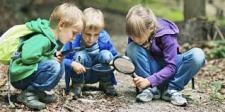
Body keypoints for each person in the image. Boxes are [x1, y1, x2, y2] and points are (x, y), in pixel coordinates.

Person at [125, 4, 205, 106]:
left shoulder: (166, 34)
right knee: (132, 47)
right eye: (131, 35)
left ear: (151, 28)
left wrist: (149, 80)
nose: (134, 39)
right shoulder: (135, 35)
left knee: (198, 54)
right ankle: (150, 90)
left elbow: (171, 66)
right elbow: (132, 60)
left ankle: (172, 90)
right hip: (151, 72)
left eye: (137, 36)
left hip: (171, 71)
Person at [9, 3, 84, 109]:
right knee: (53, 65)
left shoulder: (50, 38)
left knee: (59, 63)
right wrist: (50, 58)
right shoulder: (43, 38)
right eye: (74, 33)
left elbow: (43, 53)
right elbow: (27, 57)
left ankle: (36, 92)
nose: (74, 38)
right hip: (20, 75)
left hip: (28, 73)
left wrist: (54, 55)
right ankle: (28, 94)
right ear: (61, 25)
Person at [63, 7, 118, 98]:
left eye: (96, 34)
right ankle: (77, 85)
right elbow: (61, 58)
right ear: (81, 30)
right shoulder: (73, 40)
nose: (91, 39)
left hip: (98, 73)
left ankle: (105, 83)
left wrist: (114, 63)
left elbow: (115, 56)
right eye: (87, 34)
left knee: (106, 55)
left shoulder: (104, 39)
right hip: (81, 73)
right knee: (80, 55)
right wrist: (72, 63)